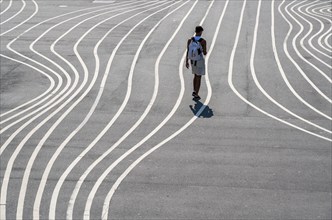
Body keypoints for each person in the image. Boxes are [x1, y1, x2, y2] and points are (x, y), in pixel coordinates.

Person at [186, 26, 207, 100]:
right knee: (199, 77)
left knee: (195, 75)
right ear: (200, 32)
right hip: (199, 60)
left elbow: (188, 51)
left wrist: (186, 61)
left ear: (195, 31)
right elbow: (204, 53)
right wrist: (203, 50)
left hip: (192, 60)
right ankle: (196, 93)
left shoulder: (190, 40)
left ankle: (194, 90)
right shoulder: (203, 41)